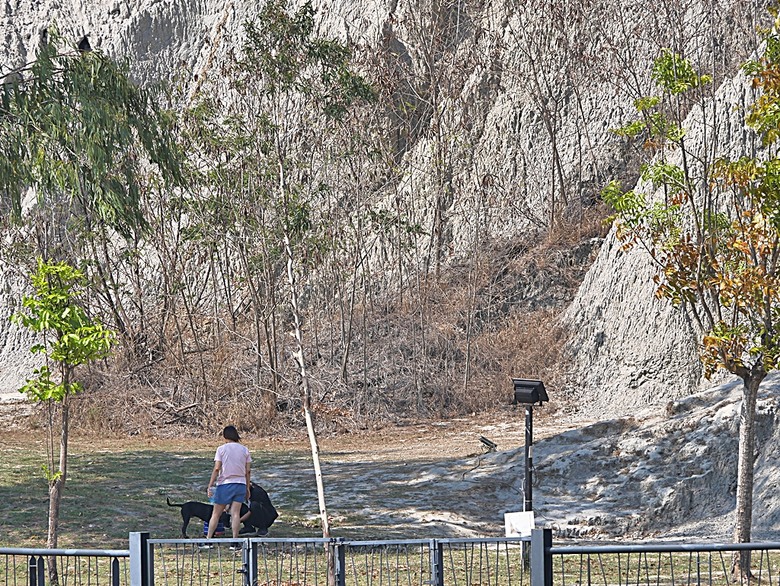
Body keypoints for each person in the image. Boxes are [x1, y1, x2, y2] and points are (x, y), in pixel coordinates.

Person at [205, 425, 251, 541]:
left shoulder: (221, 449)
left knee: (216, 513)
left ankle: (208, 540)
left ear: (225, 436)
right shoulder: (245, 449)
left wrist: (210, 484)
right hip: (240, 484)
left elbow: (217, 468)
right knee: (236, 513)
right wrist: (247, 487)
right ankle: (235, 541)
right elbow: (248, 470)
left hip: (225, 484)